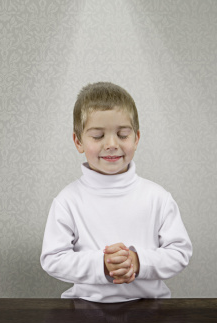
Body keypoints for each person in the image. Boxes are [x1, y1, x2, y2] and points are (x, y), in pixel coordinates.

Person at [40, 82, 192, 303]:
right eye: (98, 136)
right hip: (86, 309)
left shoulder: (157, 197)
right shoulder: (67, 201)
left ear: (136, 138)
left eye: (122, 135)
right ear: (78, 141)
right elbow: (53, 259)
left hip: (150, 309)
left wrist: (138, 261)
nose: (111, 144)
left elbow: (180, 252)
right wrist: (102, 264)